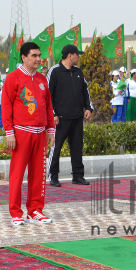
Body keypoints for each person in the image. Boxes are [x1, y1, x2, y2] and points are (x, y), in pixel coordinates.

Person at [2, 42, 55, 226]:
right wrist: (9, 132)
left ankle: (35, 210)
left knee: (39, 174)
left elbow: (48, 106)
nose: (38, 59)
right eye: (34, 55)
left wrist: (50, 130)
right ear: (24, 57)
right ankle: (16, 213)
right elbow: (6, 106)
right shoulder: (13, 78)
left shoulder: (42, 79)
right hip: (21, 133)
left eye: (39, 55)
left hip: (40, 134)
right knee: (17, 174)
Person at [47, 44, 93, 187]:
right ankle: (53, 176)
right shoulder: (54, 71)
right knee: (56, 147)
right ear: (70, 55)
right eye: (77, 54)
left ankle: (78, 175)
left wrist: (88, 108)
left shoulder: (78, 71)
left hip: (77, 117)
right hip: (60, 118)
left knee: (77, 147)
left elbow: (85, 90)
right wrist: (53, 114)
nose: (79, 57)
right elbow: (48, 95)